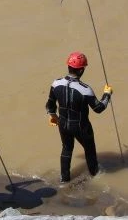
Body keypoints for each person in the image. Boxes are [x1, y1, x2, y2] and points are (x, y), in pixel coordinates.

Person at [45, 51, 113, 183]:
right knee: (89, 150)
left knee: (66, 149)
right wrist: (107, 94)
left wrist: (53, 117)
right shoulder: (85, 89)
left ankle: (64, 180)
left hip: (63, 124)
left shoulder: (56, 83)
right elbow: (98, 108)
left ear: (68, 67)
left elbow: (49, 105)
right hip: (81, 126)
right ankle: (95, 176)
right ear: (81, 70)